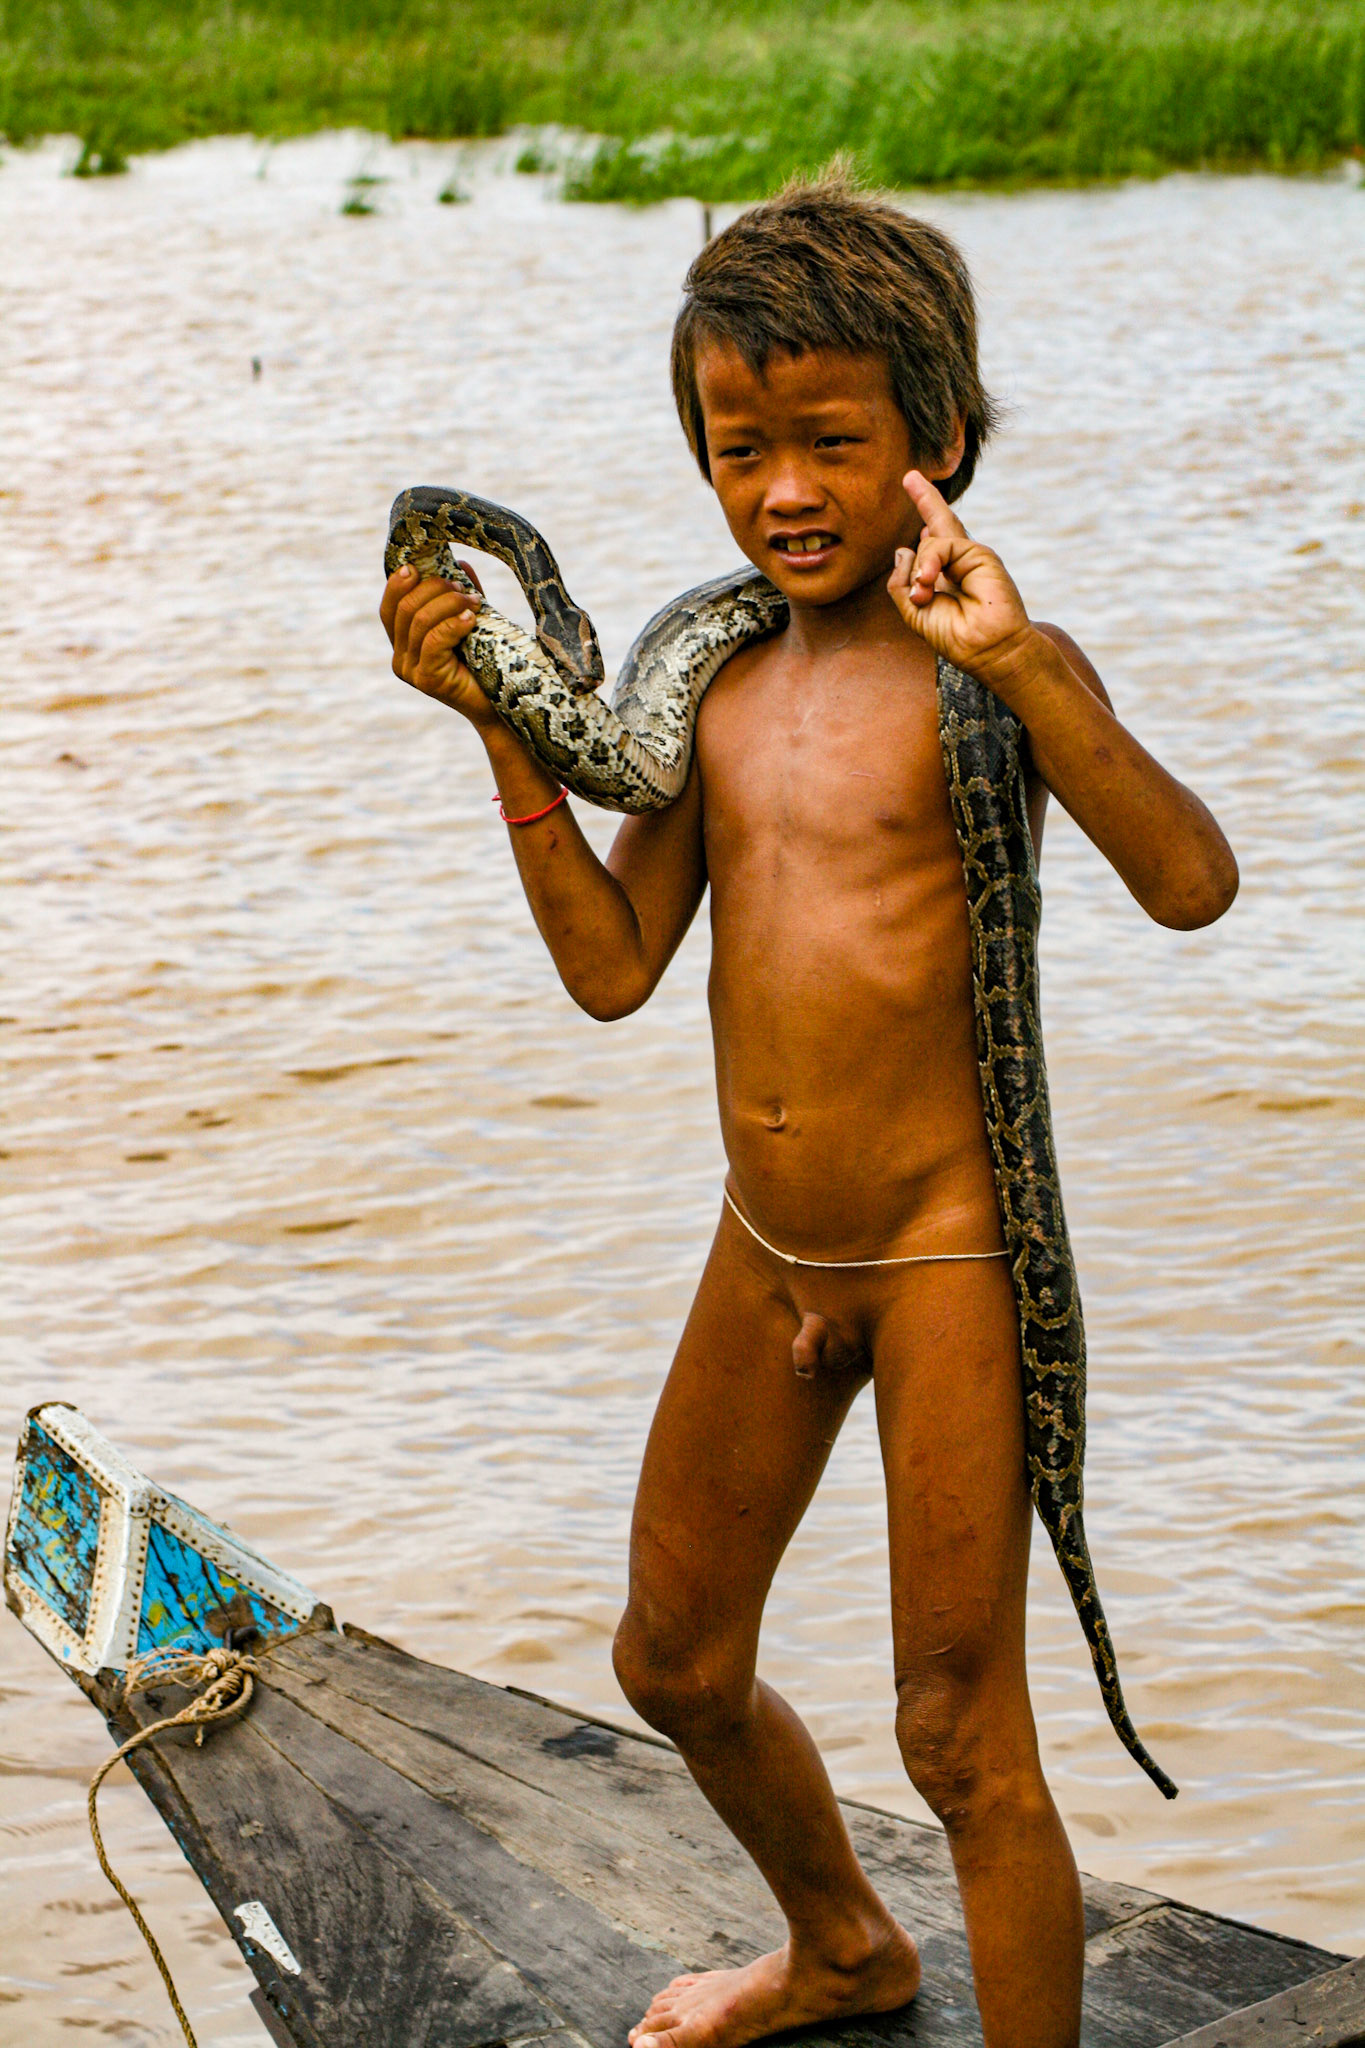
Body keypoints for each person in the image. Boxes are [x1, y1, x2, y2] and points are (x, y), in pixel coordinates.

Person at [378, 171, 1237, 2048]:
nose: (781, 491)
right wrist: (505, 731)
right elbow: (612, 968)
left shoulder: (987, 670)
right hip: (762, 1254)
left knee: (956, 1732)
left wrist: (1013, 656)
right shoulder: (711, 686)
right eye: (736, 447)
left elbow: (1189, 883)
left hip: (946, 1262)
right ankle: (842, 1946)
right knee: (672, 1661)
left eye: (830, 444)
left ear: (931, 439)